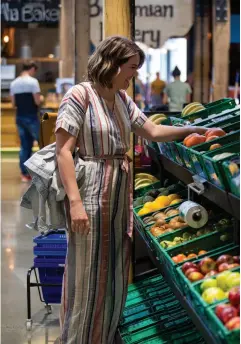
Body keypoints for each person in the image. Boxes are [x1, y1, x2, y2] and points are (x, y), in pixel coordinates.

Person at [53, 36, 207, 344]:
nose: (133, 74)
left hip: (118, 197)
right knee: (87, 276)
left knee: (112, 275)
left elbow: (151, 130)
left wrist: (192, 130)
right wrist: (75, 203)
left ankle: (104, 336)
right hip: (91, 195)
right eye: (131, 67)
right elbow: (63, 152)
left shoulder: (122, 99)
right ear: (111, 63)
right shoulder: (79, 95)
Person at [10, 61, 42, 182]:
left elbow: (13, 103)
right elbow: (37, 102)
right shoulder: (33, 82)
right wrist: (41, 98)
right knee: (42, 144)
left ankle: (24, 174)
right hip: (32, 117)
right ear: (32, 68)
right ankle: (42, 171)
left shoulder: (14, 83)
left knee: (25, 146)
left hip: (20, 117)